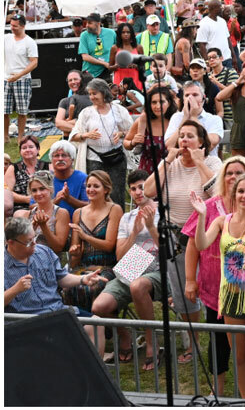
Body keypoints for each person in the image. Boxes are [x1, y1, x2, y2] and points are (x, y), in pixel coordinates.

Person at [182, 156, 245, 391]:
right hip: (229, 293)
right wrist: (199, 216)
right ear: (234, 194)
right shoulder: (221, 220)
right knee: (238, 356)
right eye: (241, 191)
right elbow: (200, 244)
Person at [144, 119, 222, 362]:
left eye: (190, 136)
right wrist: (167, 160)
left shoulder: (212, 162)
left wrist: (199, 162)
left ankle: (220, 335)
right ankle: (194, 342)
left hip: (205, 234)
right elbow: (148, 191)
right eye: (181, 136)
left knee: (208, 285)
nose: (184, 141)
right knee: (184, 291)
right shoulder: (171, 164)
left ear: (202, 143)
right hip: (175, 235)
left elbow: (218, 195)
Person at [90, 171, 163, 370]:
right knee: (99, 306)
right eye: (133, 189)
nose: (138, 192)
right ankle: (125, 335)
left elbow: (168, 253)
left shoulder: (163, 212)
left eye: (141, 187)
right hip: (132, 263)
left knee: (138, 287)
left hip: (159, 266)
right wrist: (135, 232)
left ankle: (151, 341)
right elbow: (120, 255)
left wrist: (151, 227)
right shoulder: (127, 217)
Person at [5, 216, 106, 317]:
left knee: (96, 324)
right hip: (27, 319)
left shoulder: (44, 252)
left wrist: (83, 279)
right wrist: (15, 290)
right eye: (28, 242)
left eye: (34, 238)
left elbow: (61, 277)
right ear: (11, 243)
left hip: (56, 310)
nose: (34, 244)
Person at [63, 170, 123, 314]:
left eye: (96, 186)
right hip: (84, 265)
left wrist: (86, 236)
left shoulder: (114, 209)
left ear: (106, 189)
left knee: (92, 288)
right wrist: (75, 251)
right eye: (88, 186)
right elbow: (76, 249)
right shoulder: (79, 213)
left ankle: (100, 329)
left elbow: (109, 245)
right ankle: (77, 328)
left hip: (107, 266)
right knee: (66, 288)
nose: (90, 190)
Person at [68, 79, 132, 209]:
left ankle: (117, 223)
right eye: (90, 94)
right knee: (96, 193)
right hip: (94, 158)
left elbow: (132, 130)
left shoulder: (119, 110)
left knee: (116, 193)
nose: (92, 97)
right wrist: (86, 135)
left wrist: (121, 134)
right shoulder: (86, 113)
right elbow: (73, 136)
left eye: (95, 93)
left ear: (104, 93)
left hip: (116, 158)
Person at [13, 170, 70, 256]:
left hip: (50, 263)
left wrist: (44, 226)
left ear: (50, 189)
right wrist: (31, 229)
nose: (38, 193)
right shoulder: (25, 215)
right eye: (34, 190)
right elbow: (18, 247)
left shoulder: (61, 213)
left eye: (42, 188)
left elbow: (58, 248)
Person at [124, 85, 175, 175]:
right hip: (147, 172)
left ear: (169, 103)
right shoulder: (143, 121)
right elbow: (126, 143)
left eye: (162, 102)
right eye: (154, 102)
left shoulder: (176, 122)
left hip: (172, 173)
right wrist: (133, 142)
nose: (158, 106)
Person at [165, 80, 224, 156]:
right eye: (187, 95)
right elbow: (170, 146)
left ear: (203, 98)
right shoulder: (176, 117)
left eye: (195, 95)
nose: (190, 98)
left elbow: (210, 145)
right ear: (183, 99)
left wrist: (194, 117)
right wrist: (185, 119)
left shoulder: (214, 119)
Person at [4, 14, 39, 142]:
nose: (12, 28)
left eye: (15, 26)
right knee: (4, 110)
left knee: (22, 111)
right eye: (11, 25)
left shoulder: (29, 42)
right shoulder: (6, 38)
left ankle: (20, 138)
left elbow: (34, 62)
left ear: (23, 26)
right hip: (5, 79)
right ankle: (5, 136)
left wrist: (18, 75)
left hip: (23, 80)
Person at [5, 135, 49, 212]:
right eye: (24, 148)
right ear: (20, 152)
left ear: (38, 149)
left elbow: (55, 188)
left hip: (45, 207)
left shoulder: (48, 166)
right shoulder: (13, 168)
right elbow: (6, 193)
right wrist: (26, 199)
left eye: (31, 147)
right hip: (21, 209)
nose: (27, 150)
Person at [48, 140, 89, 212]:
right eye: (56, 156)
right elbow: (33, 205)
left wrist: (69, 199)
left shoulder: (83, 178)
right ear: (51, 160)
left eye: (64, 155)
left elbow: (90, 206)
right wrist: (55, 200)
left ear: (72, 159)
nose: (60, 159)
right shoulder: (45, 178)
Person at [78, 13, 116, 80]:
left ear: (98, 23)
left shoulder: (111, 33)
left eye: (90, 23)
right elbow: (85, 56)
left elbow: (118, 49)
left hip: (107, 72)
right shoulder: (84, 35)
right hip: (90, 73)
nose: (87, 25)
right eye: (86, 23)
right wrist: (104, 63)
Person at [196, 0, 233, 67]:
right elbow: (201, 45)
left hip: (227, 58)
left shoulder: (222, 21)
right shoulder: (204, 23)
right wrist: (207, 62)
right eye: (220, 8)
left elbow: (228, 39)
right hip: (214, 61)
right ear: (213, 9)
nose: (222, 9)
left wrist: (233, 56)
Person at [56, 70, 93, 137]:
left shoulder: (92, 98)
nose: (73, 82)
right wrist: (81, 132)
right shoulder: (64, 101)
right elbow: (58, 123)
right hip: (76, 137)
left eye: (75, 79)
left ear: (82, 81)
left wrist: (67, 123)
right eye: (70, 80)